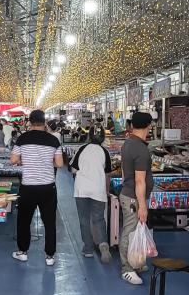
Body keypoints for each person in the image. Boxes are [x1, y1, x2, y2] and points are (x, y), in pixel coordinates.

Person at [10, 109, 63, 266]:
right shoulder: (53, 140)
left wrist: (23, 160)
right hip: (48, 187)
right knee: (49, 221)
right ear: (44, 121)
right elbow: (60, 164)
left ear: (30, 122)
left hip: (28, 187)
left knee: (24, 220)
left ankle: (23, 252)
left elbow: (13, 160)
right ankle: (50, 256)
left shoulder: (22, 139)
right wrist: (47, 162)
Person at [119, 111, 155, 286]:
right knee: (129, 231)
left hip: (129, 193)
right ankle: (127, 268)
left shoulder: (128, 143)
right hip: (134, 198)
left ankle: (137, 261)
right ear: (149, 126)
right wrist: (142, 205)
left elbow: (126, 172)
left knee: (135, 231)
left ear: (132, 126)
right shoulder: (140, 149)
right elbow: (140, 180)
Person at [71, 126, 113, 262]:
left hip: (81, 189)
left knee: (84, 219)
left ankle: (88, 249)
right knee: (98, 218)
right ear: (103, 138)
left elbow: (72, 169)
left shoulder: (82, 149)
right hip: (98, 189)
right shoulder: (104, 152)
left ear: (89, 136)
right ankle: (103, 245)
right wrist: (106, 190)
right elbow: (108, 174)